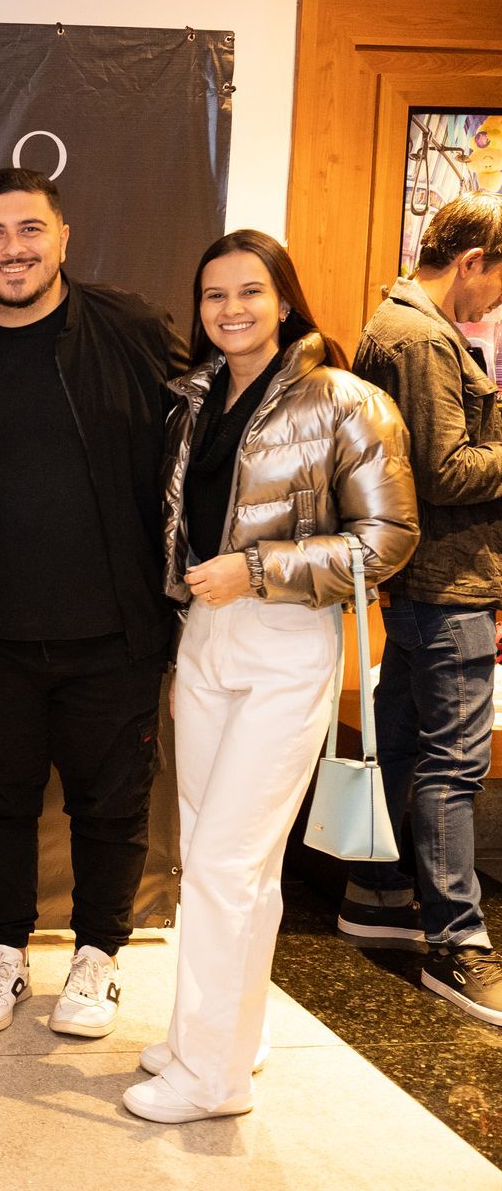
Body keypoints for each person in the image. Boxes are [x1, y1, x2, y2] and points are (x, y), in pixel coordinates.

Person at [127, 230, 417, 1123]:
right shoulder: (197, 400)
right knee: (223, 861)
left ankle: (210, 1082)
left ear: (285, 299)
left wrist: (256, 571)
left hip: (287, 641)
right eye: (213, 295)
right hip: (207, 637)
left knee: (227, 859)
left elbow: (387, 542)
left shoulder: (347, 402)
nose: (231, 309)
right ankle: (218, 1040)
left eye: (249, 292)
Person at [0, 168, 189, 1038]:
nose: (13, 249)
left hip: (114, 628)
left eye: (29, 229)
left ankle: (98, 957)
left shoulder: (133, 330)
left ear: (63, 236)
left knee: (112, 804)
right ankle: (4, 953)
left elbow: (211, 429)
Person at [342, 193, 502, 1024]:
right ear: (473, 260)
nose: (495, 303)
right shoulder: (423, 338)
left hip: (424, 582)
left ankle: (376, 888)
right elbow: (446, 471)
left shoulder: (402, 328)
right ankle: (456, 944)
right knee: (453, 761)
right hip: (446, 582)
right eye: (498, 282)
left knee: (404, 738)